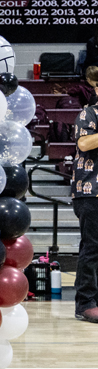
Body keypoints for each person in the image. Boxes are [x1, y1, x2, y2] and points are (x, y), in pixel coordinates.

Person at [72, 66, 98, 324]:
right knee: (92, 247)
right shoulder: (88, 113)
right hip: (91, 191)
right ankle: (85, 302)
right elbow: (84, 143)